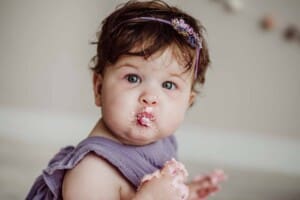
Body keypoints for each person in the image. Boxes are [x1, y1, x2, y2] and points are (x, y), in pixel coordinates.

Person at [26, 0, 225, 199]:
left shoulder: (164, 141)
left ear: (187, 103)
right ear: (99, 88)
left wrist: (185, 192)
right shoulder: (93, 171)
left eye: (168, 85)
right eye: (133, 78)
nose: (150, 98)